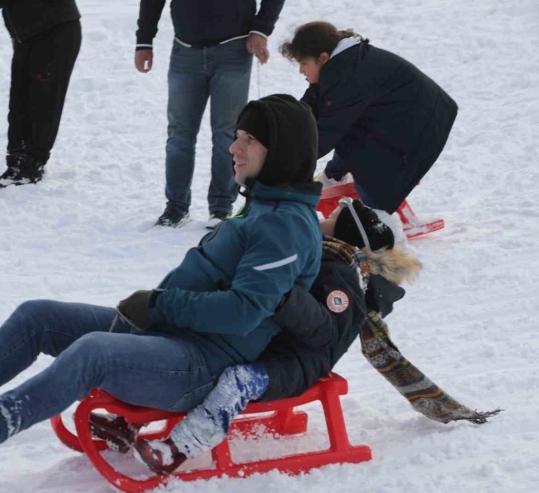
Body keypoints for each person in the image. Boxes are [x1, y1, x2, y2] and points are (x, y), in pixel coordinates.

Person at [0, 95, 323, 486]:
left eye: (249, 140)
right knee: (40, 316)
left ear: (277, 151)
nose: (234, 148)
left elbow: (242, 313)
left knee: (93, 350)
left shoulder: (285, 225)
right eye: (236, 136)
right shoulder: (264, 206)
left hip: (202, 365)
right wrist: (158, 310)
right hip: (170, 336)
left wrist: (159, 303)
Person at [91, 198, 416, 474]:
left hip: (295, 363)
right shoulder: (321, 255)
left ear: (345, 235)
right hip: (271, 345)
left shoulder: (342, 278)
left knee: (236, 379)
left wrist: (282, 296)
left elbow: (323, 334)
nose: (322, 217)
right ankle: (129, 422)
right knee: (194, 356)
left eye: (331, 218)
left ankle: (179, 448)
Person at [136, 0, 286, 228]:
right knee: (179, 134)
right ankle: (176, 207)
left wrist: (261, 29)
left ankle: (221, 208)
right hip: (185, 50)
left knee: (227, 132)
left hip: (234, 49)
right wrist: (144, 40)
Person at [282, 21, 458, 215]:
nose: (300, 71)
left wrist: (288, 163)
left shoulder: (347, 75)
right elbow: (310, 106)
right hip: (403, 113)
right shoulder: (337, 65)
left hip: (423, 123)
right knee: (352, 131)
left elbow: (328, 132)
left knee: (367, 161)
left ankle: (381, 219)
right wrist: (285, 129)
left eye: (303, 63)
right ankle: (335, 175)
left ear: (322, 58)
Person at [0, 0, 82, 188]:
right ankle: (16, 164)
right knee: (19, 100)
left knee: (43, 101)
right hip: (27, 34)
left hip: (55, 28)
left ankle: (32, 165)